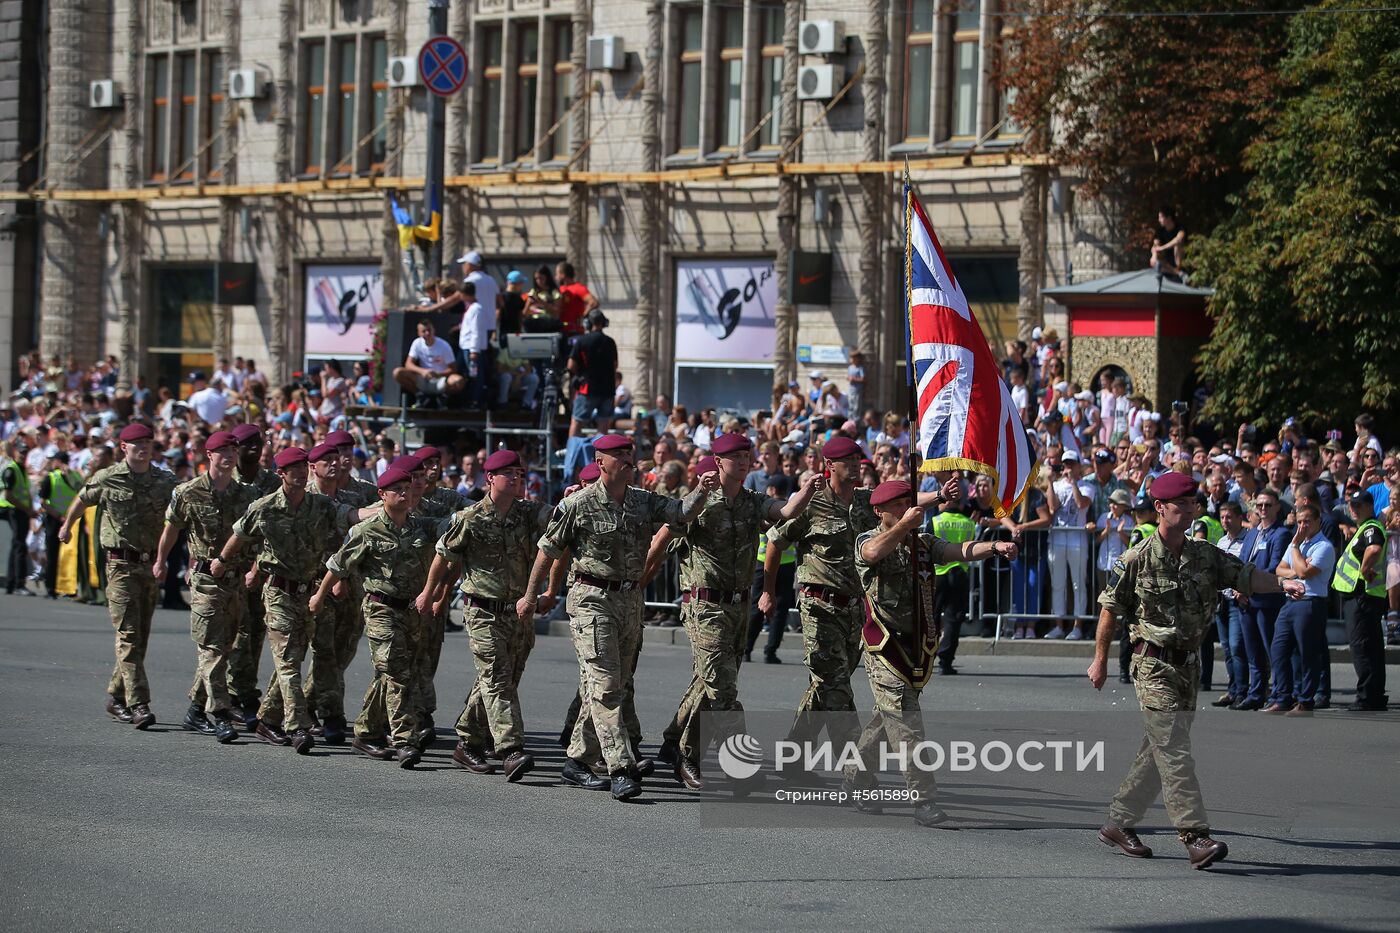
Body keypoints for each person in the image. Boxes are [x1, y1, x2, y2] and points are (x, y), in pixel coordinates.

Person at [1089, 471, 1305, 870]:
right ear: (1160, 509)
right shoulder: (1135, 559)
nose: (1190, 510)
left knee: (1161, 747)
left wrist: (1281, 583)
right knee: (1173, 747)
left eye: (1193, 504)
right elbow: (1109, 610)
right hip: (1152, 663)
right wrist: (1100, 660)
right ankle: (1195, 836)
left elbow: (1245, 576)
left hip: (1190, 665)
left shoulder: (1205, 555)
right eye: (1181, 505)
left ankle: (1118, 822)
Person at [522, 433, 712, 801]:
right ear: (601, 462)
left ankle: (577, 761)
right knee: (607, 685)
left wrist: (702, 490)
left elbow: (680, 513)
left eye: (630, 452)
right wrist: (532, 594)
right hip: (592, 599)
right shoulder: (578, 505)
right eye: (619, 454)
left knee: (613, 686)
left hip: (629, 600)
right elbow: (548, 551)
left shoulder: (642, 501)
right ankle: (621, 767)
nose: (628, 459)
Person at [646, 434, 823, 789]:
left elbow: (785, 512)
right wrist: (640, 581)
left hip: (738, 605)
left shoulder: (752, 502)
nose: (743, 462)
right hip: (705, 605)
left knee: (708, 684)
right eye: (735, 457)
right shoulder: (699, 503)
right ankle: (729, 762)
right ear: (718, 460)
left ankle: (675, 741)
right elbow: (664, 536)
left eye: (747, 456)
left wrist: (806, 490)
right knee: (722, 688)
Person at [844, 480, 1018, 826]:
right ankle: (923, 799)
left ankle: (855, 776)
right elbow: (872, 555)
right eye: (898, 505)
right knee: (906, 721)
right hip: (885, 645)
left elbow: (957, 551)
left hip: (917, 644)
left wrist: (994, 546)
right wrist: (905, 524)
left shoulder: (922, 543)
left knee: (887, 718)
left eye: (909, 502)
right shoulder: (867, 539)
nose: (909, 508)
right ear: (880, 512)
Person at [209, 446, 374, 754]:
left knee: (294, 658)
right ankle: (297, 726)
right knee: (287, 660)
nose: (299, 473)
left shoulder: (320, 505)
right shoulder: (266, 506)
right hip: (278, 592)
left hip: (307, 591)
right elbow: (240, 534)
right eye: (293, 469)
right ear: (282, 474)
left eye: (302, 467)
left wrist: (388, 509)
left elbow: (353, 516)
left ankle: (266, 720)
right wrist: (220, 561)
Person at [419, 449, 554, 780]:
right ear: (490, 478)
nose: (517, 478)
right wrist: (428, 592)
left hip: (517, 612)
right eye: (509, 473)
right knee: (496, 678)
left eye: (520, 473)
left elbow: (560, 519)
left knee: (501, 678)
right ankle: (510, 748)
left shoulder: (528, 513)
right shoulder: (470, 518)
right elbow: (443, 557)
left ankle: (467, 741)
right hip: (482, 611)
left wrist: (575, 498)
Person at [310, 465, 446, 767]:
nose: (404, 493)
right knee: (397, 673)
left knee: (391, 672)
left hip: (410, 610)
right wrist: (319, 596)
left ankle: (366, 731)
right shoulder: (366, 531)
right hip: (380, 609)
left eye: (408, 488)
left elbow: (456, 524)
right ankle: (404, 740)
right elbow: (337, 565)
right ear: (381, 495)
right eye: (397, 489)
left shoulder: (421, 527)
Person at [59, 423, 179, 730]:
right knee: (127, 634)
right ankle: (139, 703)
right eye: (136, 443)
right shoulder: (109, 477)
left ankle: (115, 696)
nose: (143, 447)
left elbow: (180, 516)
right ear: (123, 447)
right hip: (120, 565)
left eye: (147, 442)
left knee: (140, 636)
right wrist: (68, 526)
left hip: (149, 564)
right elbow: (83, 499)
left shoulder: (164, 480)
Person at [153, 430, 256, 744]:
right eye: (222, 452)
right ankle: (221, 714)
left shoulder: (245, 495)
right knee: (211, 647)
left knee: (223, 647)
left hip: (235, 579)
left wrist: (254, 568)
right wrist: (161, 561)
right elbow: (172, 529)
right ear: (208, 455)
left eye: (232, 452)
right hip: (204, 579)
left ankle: (195, 710)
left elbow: (255, 536)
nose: (228, 457)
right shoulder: (188, 491)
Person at [1266, 503, 1335, 715]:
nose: (1302, 526)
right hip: (1290, 602)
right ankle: (1283, 696)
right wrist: (1297, 567)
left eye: (1307, 521)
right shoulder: (1298, 545)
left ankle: (1306, 701)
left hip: (1310, 602)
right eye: (1299, 522)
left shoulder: (1323, 546)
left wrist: (1296, 553)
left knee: (1307, 653)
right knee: (1279, 649)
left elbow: (1305, 572)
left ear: (1317, 522)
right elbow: (1279, 569)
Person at [1233, 487, 1291, 710]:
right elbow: (1240, 563)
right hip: (1246, 601)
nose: (1263, 509)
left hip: (1266, 600)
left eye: (1268, 505)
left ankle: (1278, 694)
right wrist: (1239, 586)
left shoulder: (1281, 533)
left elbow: (1273, 567)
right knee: (1252, 650)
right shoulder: (1252, 533)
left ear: (1277, 507)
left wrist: (1248, 586)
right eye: (1260, 505)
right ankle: (1256, 693)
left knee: (1272, 649)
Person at [1334, 490, 1389, 710]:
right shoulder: (1364, 528)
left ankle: (1367, 696)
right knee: (1372, 648)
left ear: (1369, 505)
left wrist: (1365, 567)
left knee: (1363, 649)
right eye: (1351, 505)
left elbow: (1374, 548)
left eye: (1358, 505)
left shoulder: (1371, 527)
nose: (1353, 509)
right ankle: (1374, 694)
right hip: (1365, 597)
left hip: (1362, 597)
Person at [1045, 450, 1094, 639]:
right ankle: (1058, 625)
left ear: (1079, 466)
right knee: (1057, 583)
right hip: (1057, 538)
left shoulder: (1087, 486)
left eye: (1072, 464)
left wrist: (1073, 483)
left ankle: (1077, 626)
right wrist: (1049, 482)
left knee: (1077, 584)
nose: (1068, 467)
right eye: (1066, 464)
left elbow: (1082, 504)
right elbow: (1052, 507)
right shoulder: (1056, 485)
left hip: (1077, 539)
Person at [566, 309, 618, 438]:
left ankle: (573, 455)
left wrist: (581, 372)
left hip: (587, 389)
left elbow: (571, 365)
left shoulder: (582, 341)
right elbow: (615, 365)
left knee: (577, 422)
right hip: (607, 390)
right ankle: (600, 457)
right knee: (603, 425)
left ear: (588, 323)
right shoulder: (610, 342)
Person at [38, 450, 82, 598]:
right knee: (61, 556)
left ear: (57, 461)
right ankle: (59, 588)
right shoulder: (73, 476)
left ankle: (56, 588)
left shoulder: (51, 477)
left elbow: (43, 502)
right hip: (65, 520)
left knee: (57, 555)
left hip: (61, 521)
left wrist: (60, 516)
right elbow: (43, 502)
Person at [393, 318, 466, 408]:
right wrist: (423, 371)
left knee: (458, 381)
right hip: (423, 379)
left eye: (429, 330)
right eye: (424, 331)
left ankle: (444, 396)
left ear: (433, 330)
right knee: (398, 373)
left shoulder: (444, 345)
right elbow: (408, 364)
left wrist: (438, 374)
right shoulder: (417, 343)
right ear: (419, 333)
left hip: (441, 380)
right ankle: (419, 395)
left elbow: (453, 368)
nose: (427, 333)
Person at [2, 439, 35, 595]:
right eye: (21, 452)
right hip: (15, 510)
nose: (23, 455)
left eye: (25, 452)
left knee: (17, 546)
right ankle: (18, 584)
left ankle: (11, 583)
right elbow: (8, 495)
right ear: (14, 452)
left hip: (21, 511)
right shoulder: (11, 470)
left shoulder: (21, 469)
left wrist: (30, 510)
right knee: (20, 546)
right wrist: (27, 509)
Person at [556, 260, 599, 337]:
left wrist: (583, 316)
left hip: (574, 332)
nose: (555, 277)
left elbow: (593, 302)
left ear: (562, 275)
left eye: (557, 274)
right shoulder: (560, 289)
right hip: (560, 330)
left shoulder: (578, 288)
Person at [1150, 207, 1186, 280]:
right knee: (1156, 260)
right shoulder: (1160, 231)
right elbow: (1155, 245)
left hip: (1178, 259)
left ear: (1169, 218)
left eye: (1161, 217)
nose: (1159, 220)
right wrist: (1153, 255)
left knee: (1177, 245)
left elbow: (1178, 239)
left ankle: (1178, 269)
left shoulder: (1180, 228)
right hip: (1167, 262)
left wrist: (1162, 248)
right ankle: (1178, 273)